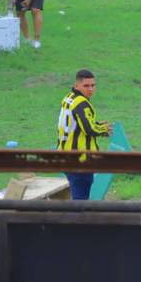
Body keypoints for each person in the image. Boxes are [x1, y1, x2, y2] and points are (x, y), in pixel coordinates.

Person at [57, 69, 112, 200]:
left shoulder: (68, 98)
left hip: (64, 155)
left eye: (93, 85)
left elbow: (79, 123)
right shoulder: (82, 103)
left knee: (77, 197)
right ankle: (77, 220)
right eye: (86, 86)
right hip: (80, 160)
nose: (90, 89)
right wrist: (103, 129)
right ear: (77, 85)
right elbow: (89, 129)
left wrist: (97, 125)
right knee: (80, 201)